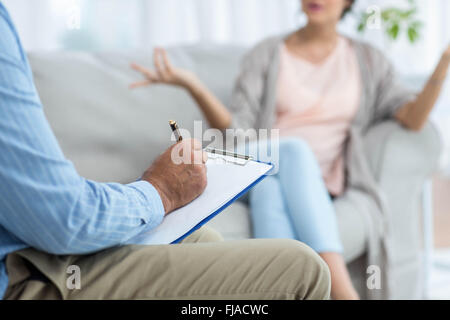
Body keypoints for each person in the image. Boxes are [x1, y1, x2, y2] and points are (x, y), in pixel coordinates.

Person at [0, 2, 331, 300]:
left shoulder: (365, 59)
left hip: (323, 175)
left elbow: (385, 102)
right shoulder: (268, 54)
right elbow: (65, 218)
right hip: (17, 275)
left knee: (214, 232)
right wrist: (160, 190)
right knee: (303, 259)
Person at [130, 0, 450, 300]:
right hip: (260, 161)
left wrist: (444, 61)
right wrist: (193, 85)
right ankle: (343, 291)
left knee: (271, 192)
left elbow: (411, 117)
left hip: (312, 181)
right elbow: (238, 131)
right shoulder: (267, 54)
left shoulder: (368, 60)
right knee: (294, 152)